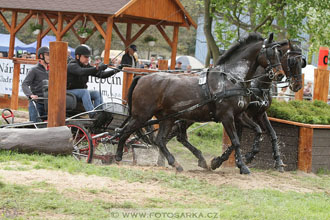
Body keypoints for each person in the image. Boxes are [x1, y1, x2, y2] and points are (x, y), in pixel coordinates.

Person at [67, 44, 121, 117]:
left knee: (96, 93)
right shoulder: (72, 65)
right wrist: (98, 68)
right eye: (85, 57)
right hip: (68, 92)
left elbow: (101, 75)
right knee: (85, 92)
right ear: (77, 56)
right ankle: (93, 114)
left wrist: (116, 70)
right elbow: (81, 71)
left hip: (79, 92)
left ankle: (100, 114)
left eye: (88, 57)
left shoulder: (86, 66)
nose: (87, 59)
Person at [22, 46, 50, 122]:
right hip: (36, 103)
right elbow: (24, 84)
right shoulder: (34, 70)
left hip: (48, 104)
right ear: (41, 56)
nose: (50, 57)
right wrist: (31, 95)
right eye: (48, 54)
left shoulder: (52, 70)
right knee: (34, 128)